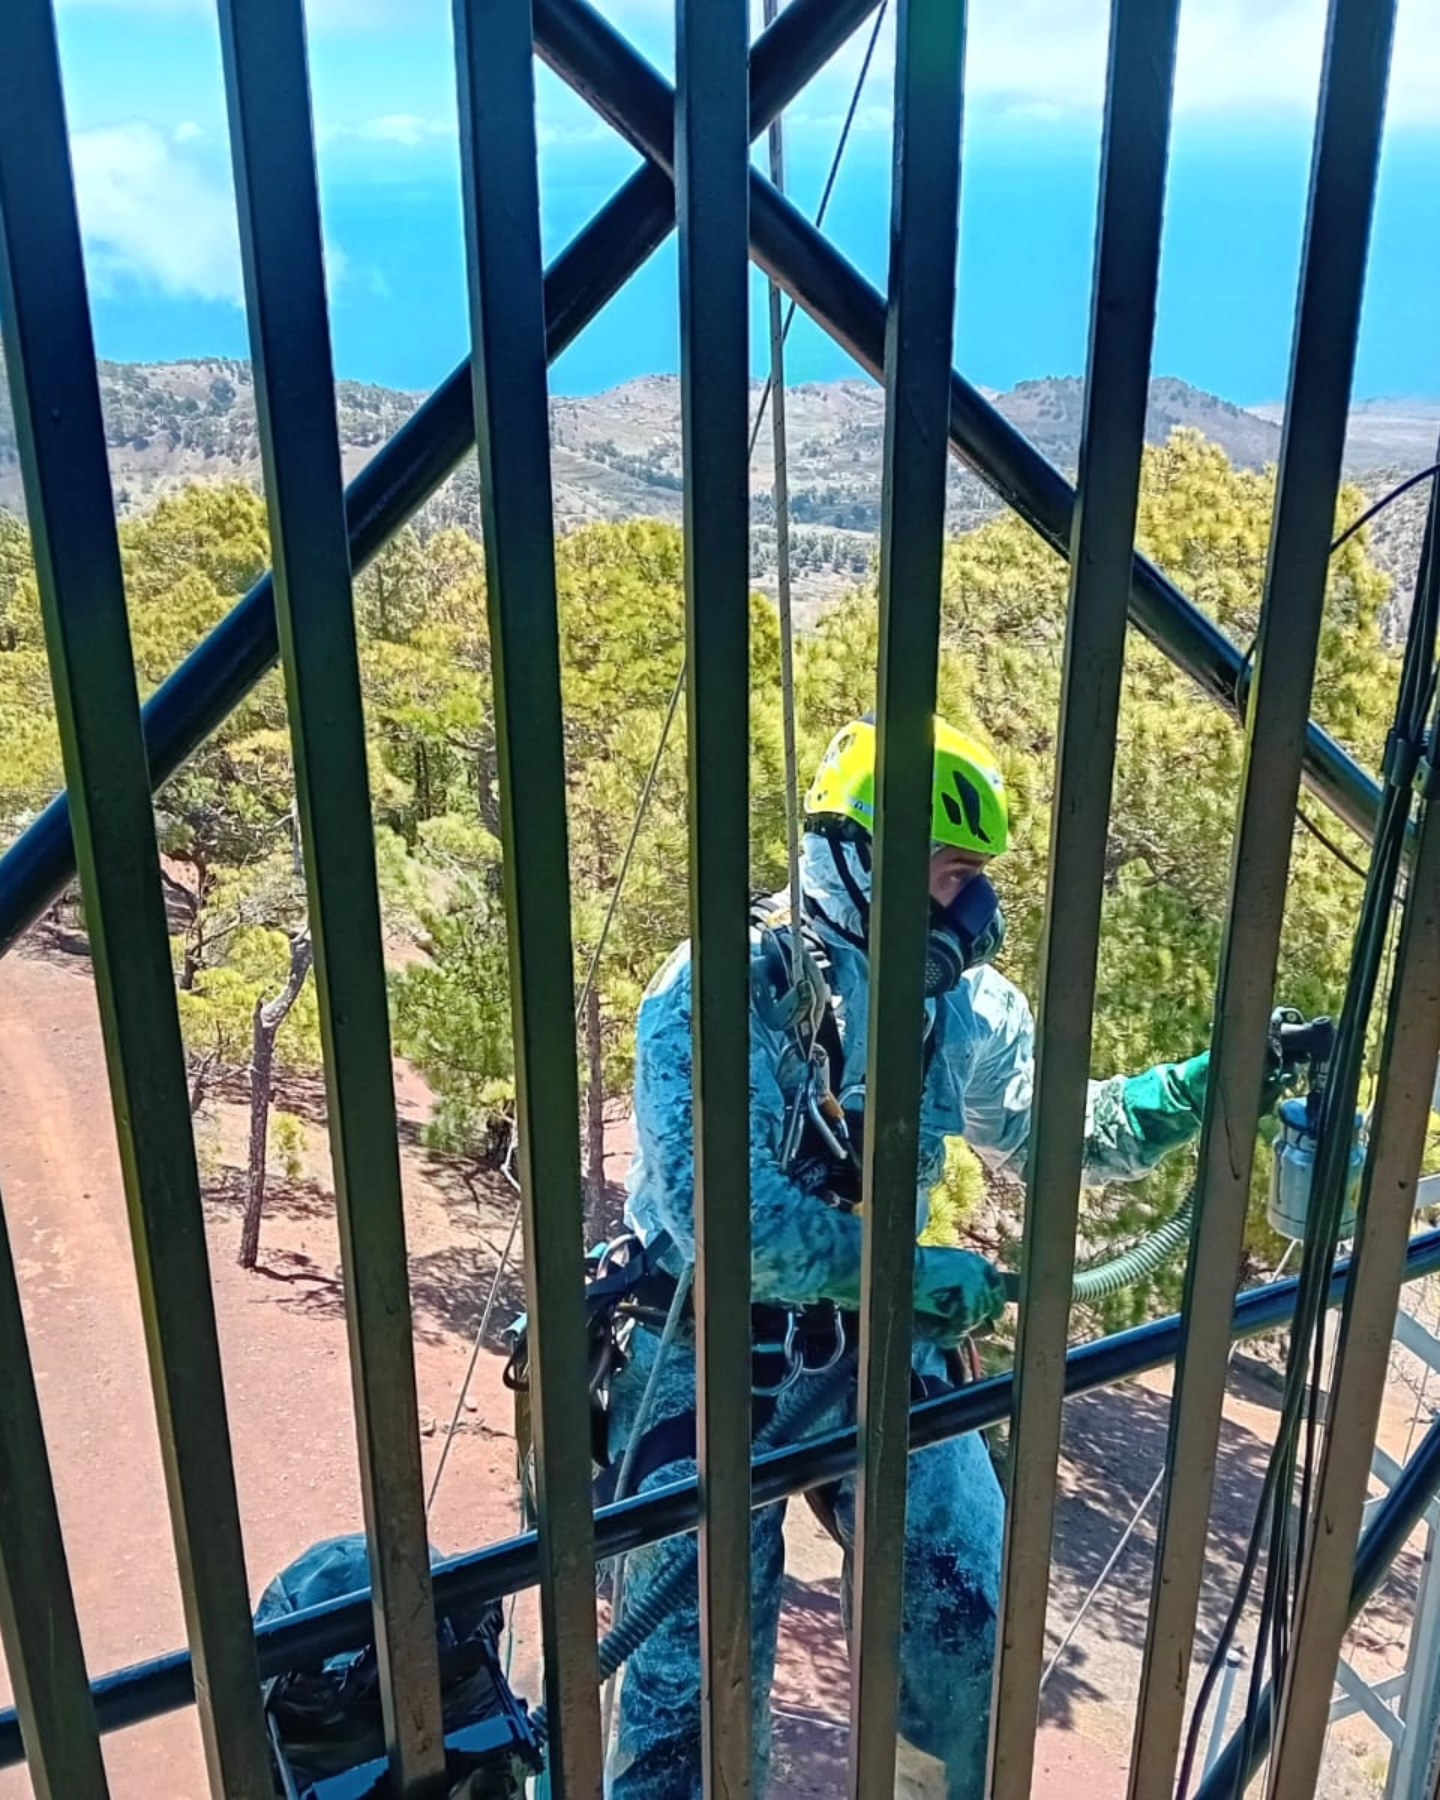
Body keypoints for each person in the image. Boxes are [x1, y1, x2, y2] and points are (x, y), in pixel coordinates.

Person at [605, 714, 1221, 1798]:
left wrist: (1183, 1098)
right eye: (947, 874)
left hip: (869, 1343)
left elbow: (1042, 1132)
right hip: (699, 1342)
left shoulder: (966, 1009)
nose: (971, 907)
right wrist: (898, 1271)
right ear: (858, 856)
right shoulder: (720, 985)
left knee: (964, 1623)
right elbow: (722, 1225)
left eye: (975, 877)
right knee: (690, 1682)